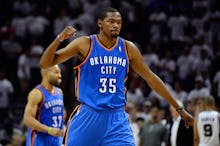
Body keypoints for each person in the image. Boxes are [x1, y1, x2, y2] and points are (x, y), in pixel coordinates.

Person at [40, 7, 193, 146]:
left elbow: (151, 78)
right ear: (100, 23)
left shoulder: (128, 48)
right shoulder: (85, 44)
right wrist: (60, 38)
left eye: (119, 22)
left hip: (116, 118)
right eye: (111, 21)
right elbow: (45, 63)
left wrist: (179, 108)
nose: (116, 25)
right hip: (89, 115)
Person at [23, 65, 64, 146]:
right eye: (56, 72)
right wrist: (49, 130)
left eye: (60, 73)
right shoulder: (37, 93)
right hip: (39, 139)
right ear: (46, 74)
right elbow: (27, 119)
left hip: (56, 139)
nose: (60, 75)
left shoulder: (59, 92)